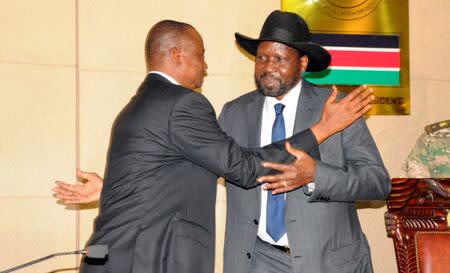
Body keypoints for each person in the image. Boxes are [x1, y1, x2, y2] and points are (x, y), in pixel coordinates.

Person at [61, 19, 374, 273]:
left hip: (329, 264)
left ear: (302, 63)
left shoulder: (338, 108)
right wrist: (321, 131)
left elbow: (377, 183)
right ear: (177, 56)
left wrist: (317, 174)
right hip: (253, 262)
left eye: (279, 58)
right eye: (262, 57)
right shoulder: (228, 112)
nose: (267, 66)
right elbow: (238, 166)